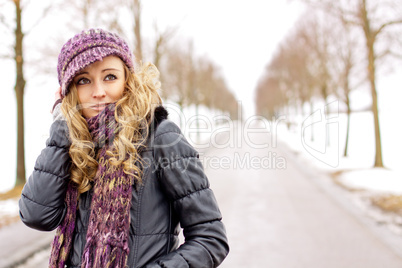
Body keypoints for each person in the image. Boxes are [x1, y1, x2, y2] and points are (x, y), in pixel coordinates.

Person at [19, 28, 229, 268]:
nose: (98, 92)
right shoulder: (74, 144)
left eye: (110, 77)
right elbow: (36, 215)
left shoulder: (160, 137)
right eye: (84, 80)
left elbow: (210, 239)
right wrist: (62, 125)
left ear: (127, 80)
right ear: (69, 91)